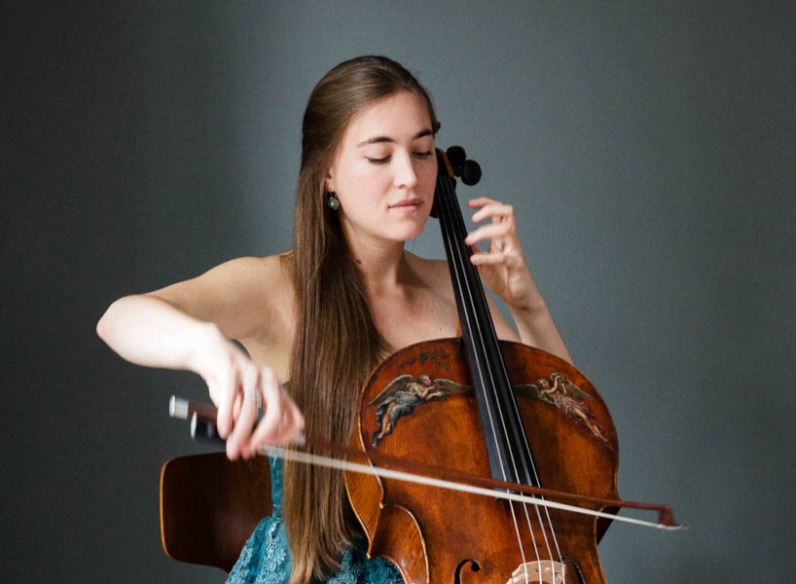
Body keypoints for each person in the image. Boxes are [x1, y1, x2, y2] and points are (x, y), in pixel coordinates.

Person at [97, 55, 572, 584]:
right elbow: (120, 318)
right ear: (327, 174)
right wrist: (208, 352)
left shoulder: (453, 287)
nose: (410, 177)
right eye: (380, 156)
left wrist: (527, 305)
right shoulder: (279, 288)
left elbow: (566, 433)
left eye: (421, 152)